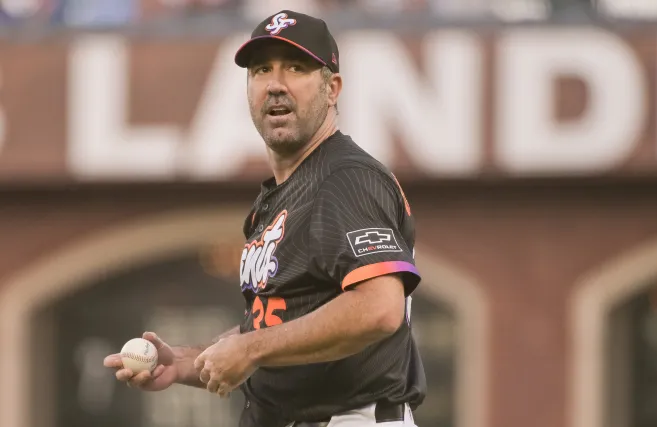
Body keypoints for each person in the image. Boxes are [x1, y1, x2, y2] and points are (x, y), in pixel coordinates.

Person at [104, 9, 426, 427]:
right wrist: (184, 362)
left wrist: (251, 349)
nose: (275, 84)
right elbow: (276, 326)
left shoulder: (346, 178)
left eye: (296, 67)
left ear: (332, 89)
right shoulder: (276, 199)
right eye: (261, 70)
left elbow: (380, 308)